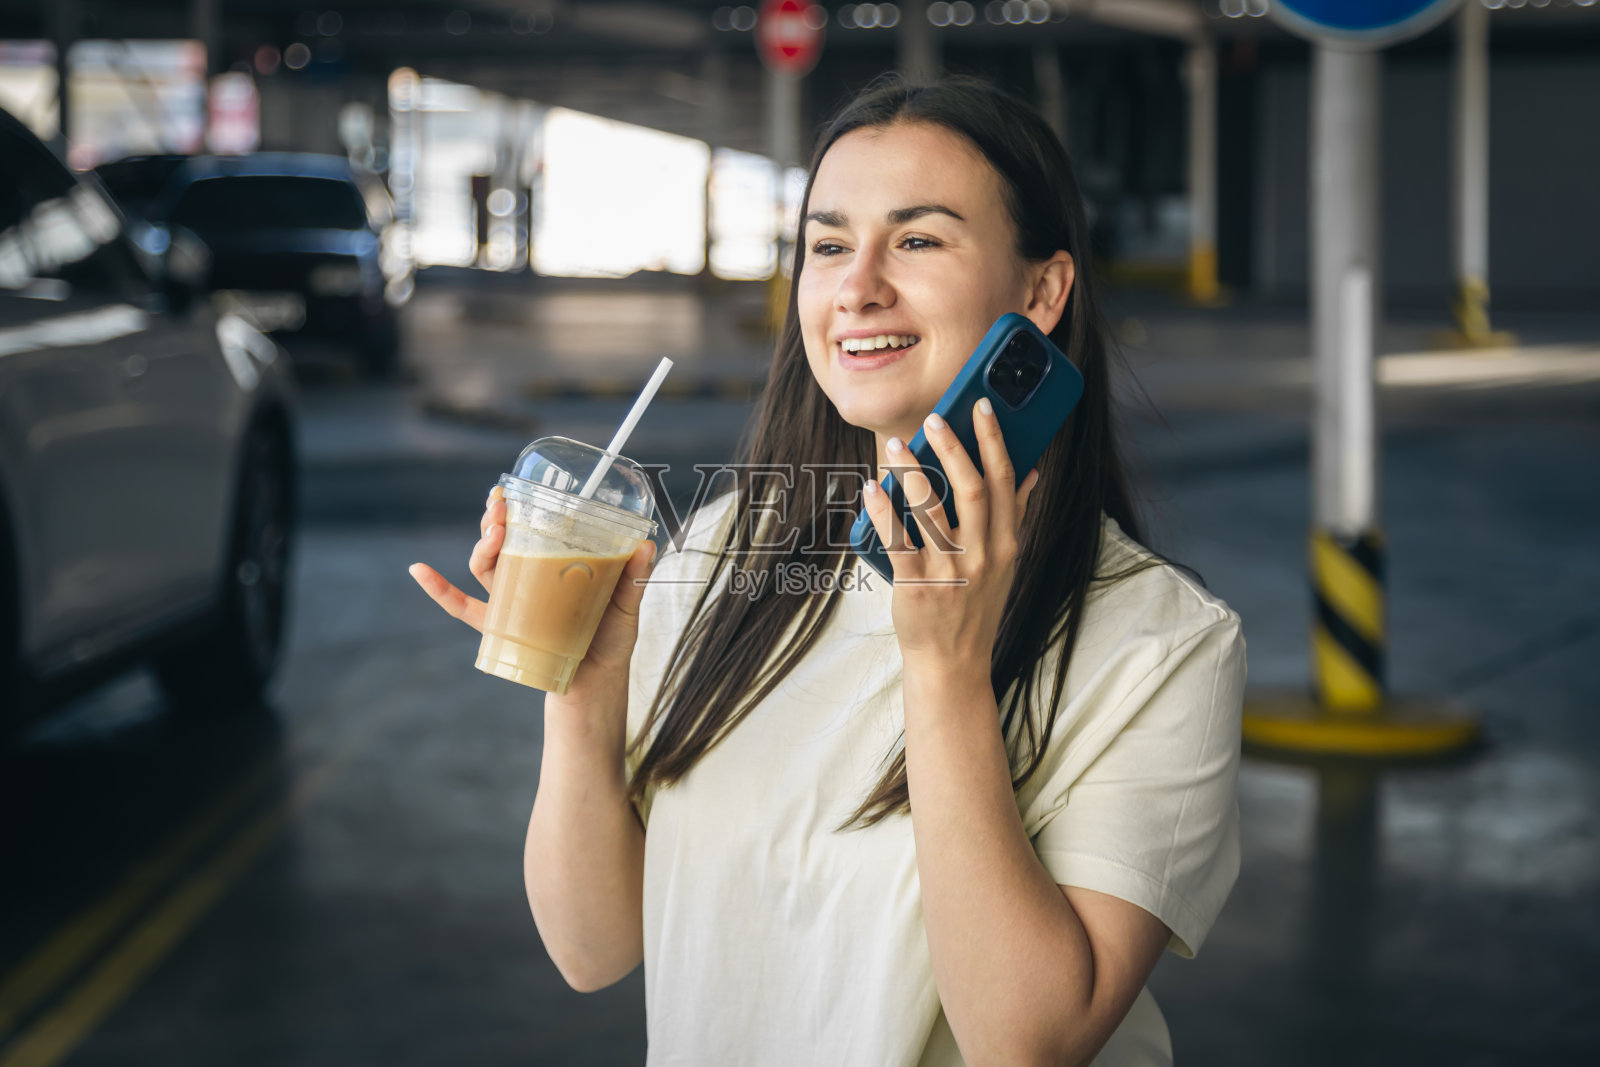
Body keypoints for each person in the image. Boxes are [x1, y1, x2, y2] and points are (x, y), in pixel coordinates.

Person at [410, 76, 1246, 1067]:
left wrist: (944, 670)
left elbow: (1025, 1040)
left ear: (1041, 291)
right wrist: (584, 696)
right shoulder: (726, 549)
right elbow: (593, 946)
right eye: (829, 244)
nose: (857, 288)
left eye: (920, 240)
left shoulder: (1160, 644)